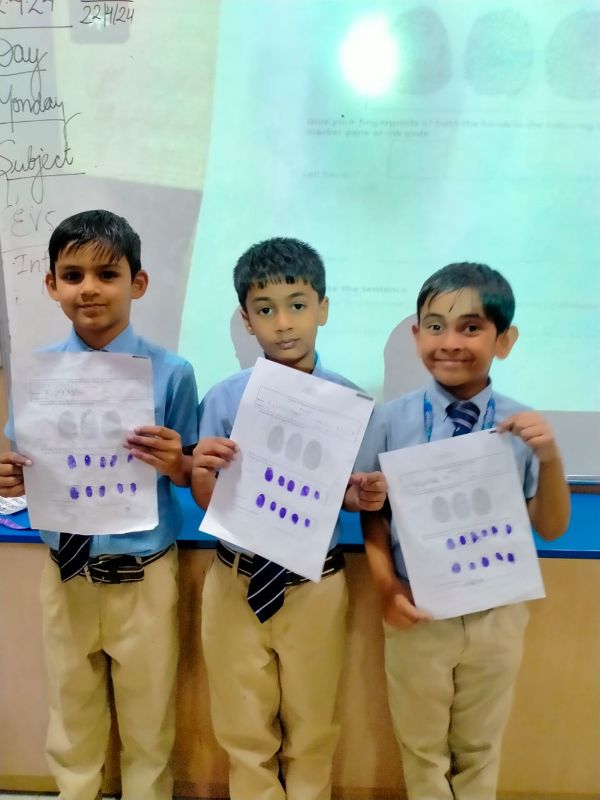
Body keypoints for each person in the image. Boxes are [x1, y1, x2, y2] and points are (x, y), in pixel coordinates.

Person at [0, 209, 199, 800]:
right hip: (67, 573)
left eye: (107, 274)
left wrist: (176, 463)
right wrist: (9, 477)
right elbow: (24, 465)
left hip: (144, 575)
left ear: (138, 283)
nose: (89, 288)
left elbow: (190, 471)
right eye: (72, 275)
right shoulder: (35, 375)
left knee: (149, 721)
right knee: (72, 716)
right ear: (51, 285)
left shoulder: (172, 372)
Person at [357, 262, 570, 800]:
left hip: (496, 611)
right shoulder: (389, 420)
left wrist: (549, 459)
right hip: (418, 608)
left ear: (504, 340)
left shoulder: (523, 426)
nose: (450, 342)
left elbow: (551, 527)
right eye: (435, 326)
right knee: (421, 748)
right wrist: (385, 587)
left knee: (479, 748)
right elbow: (373, 513)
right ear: (416, 335)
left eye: (471, 327)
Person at [191, 237, 387, 800]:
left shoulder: (351, 404)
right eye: (265, 309)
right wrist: (202, 469)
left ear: (322, 308)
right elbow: (209, 499)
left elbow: (350, 497)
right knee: (243, 730)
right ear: (246, 319)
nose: (283, 323)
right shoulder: (224, 399)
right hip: (236, 578)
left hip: (314, 584)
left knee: (313, 728)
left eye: (298, 305)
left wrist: (364, 497)